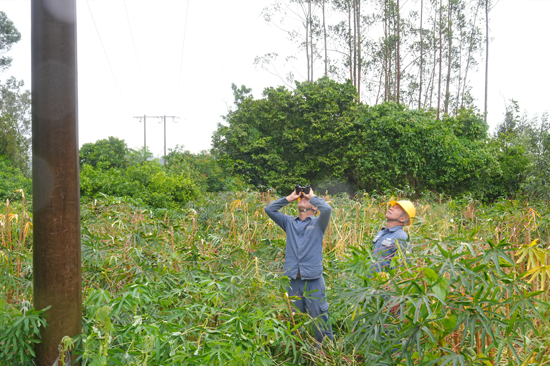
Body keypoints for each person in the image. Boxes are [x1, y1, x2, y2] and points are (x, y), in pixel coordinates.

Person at [264, 187, 333, 344]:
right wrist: (290, 197)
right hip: (292, 279)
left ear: (314, 207)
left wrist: (312, 196)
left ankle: (325, 352)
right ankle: (298, 349)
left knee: (320, 317)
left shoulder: (318, 223)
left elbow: (327, 209)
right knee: (294, 319)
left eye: (306, 199)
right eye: (301, 198)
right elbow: (269, 209)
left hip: (313, 280)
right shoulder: (289, 222)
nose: (303, 198)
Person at [370, 200, 416, 273]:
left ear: (403, 218)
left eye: (397, 208)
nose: (391, 208)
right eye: (392, 207)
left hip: (383, 282)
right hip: (369, 280)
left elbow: (402, 267)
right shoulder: (381, 232)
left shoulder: (402, 237)